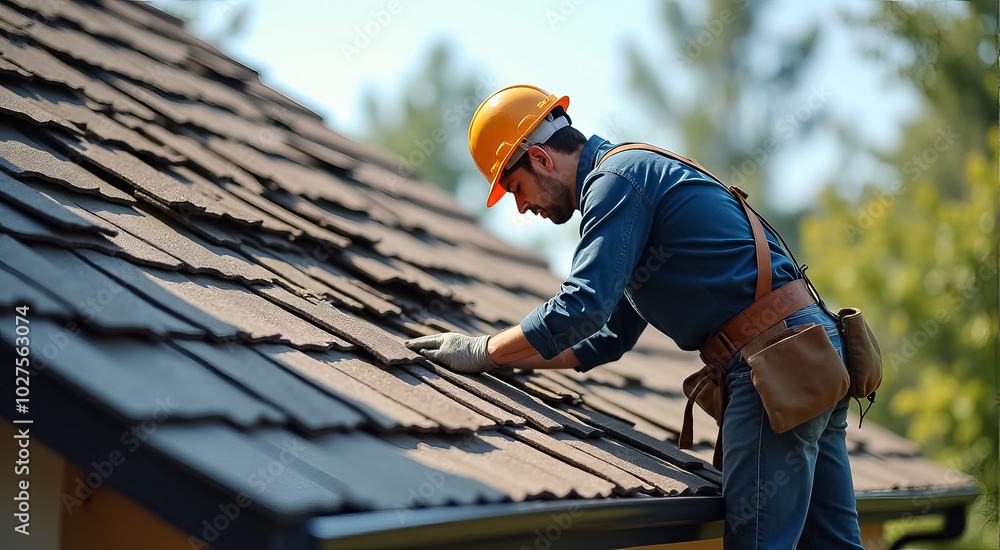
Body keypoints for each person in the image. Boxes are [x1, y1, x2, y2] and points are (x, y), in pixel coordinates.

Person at [405, 84, 864, 549]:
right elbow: (605, 336)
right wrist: (502, 360)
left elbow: (580, 307)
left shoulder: (615, 181)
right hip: (808, 353)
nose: (522, 206)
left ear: (541, 158)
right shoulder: (632, 177)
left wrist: (484, 349)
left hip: (774, 364)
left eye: (515, 188)